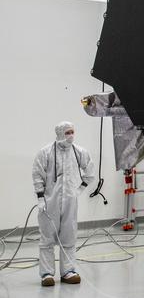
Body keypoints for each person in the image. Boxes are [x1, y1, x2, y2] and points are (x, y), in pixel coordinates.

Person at [32, 122, 96, 287]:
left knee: (69, 235)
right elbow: (37, 174)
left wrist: (79, 190)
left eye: (73, 132)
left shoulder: (79, 152)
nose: (71, 135)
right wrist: (40, 197)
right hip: (49, 200)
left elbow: (89, 172)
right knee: (47, 236)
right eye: (68, 132)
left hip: (70, 201)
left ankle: (68, 271)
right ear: (60, 133)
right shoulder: (45, 152)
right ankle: (47, 274)